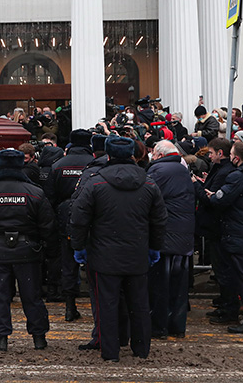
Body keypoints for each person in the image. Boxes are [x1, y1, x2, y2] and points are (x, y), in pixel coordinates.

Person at [69, 136, 168, 362]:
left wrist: (78, 246)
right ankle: (141, 348)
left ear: (109, 155)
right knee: (139, 303)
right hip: (137, 253)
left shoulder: (95, 183)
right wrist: (155, 247)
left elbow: (79, 219)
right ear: (132, 155)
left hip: (104, 256)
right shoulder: (149, 183)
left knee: (107, 304)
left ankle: (110, 351)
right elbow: (159, 220)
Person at [0, 149, 58, 352]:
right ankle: (39, 337)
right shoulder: (35, 192)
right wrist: (50, 253)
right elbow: (48, 226)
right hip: (28, 252)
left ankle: (1, 338)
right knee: (32, 296)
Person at [206, 140, 243, 334]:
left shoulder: (237, 177)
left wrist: (212, 195)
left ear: (236, 158)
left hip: (241, 235)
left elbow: (220, 200)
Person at [146, 140, 196, 339]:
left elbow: (148, 200)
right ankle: (177, 326)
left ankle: (159, 327)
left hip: (166, 236)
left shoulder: (158, 171)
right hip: (183, 236)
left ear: (158, 154)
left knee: (160, 285)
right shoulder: (183, 169)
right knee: (179, 286)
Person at [46, 129, 95, 321]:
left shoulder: (58, 165)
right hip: (91, 217)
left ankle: (69, 306)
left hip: (65, 216)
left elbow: (49, 197)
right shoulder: (93, 164)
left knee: (68, 263)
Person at [197, 137, 239, 324]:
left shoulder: (225, 172)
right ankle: (225, 303)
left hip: (218, 227)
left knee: (224, 271)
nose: (210, 156)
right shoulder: (221, 169)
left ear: (219, 154)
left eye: (212, 153)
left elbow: (210, 199)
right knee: (221, 269)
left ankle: (229, 309)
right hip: (216, 227)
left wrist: (196, 185)